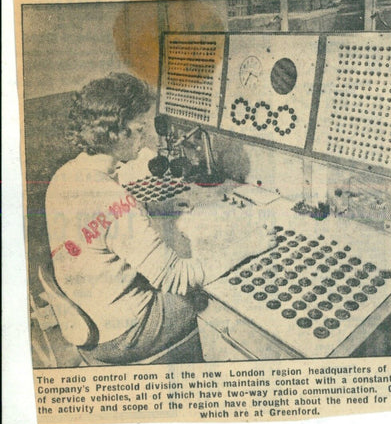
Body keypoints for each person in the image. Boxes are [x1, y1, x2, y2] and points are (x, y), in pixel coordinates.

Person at [45, 72, 265, 363]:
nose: (147, 138)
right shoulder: (113, 198)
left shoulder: (64, 176)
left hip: (91, 320)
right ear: (116, 133)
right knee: (223, 296)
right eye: (139, 129)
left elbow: (106, 231)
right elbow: (177, 278)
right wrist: (249, 246)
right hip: (127, 334)